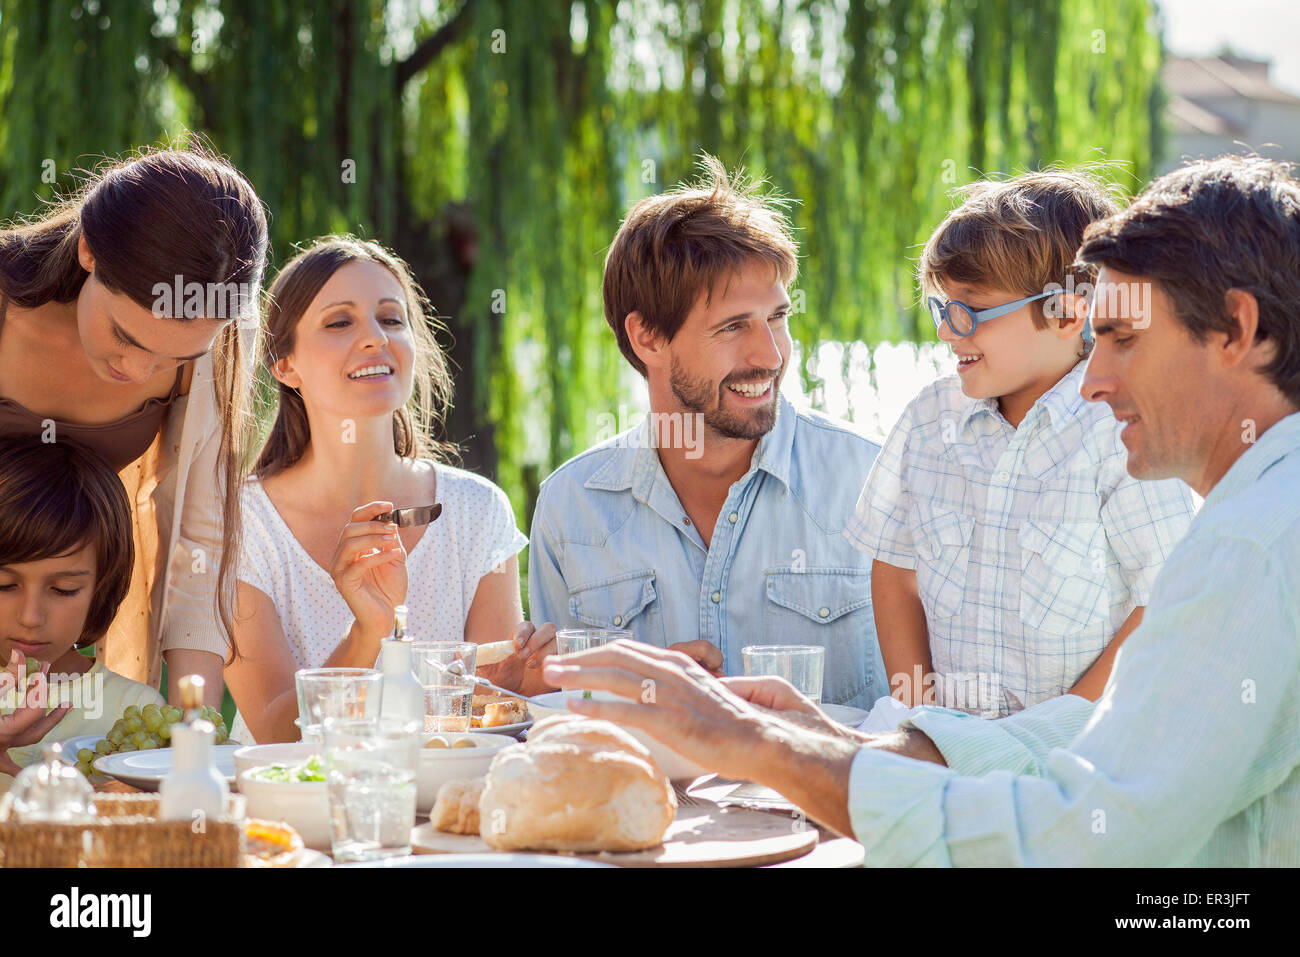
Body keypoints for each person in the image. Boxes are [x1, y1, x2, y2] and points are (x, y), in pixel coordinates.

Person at [541, 154, 1300, 866]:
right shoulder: (1256, 524)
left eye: (1123, 337)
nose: (1093, 379)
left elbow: (1077, 833)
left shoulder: (1252, 547)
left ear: (1235, 330)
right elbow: (1095, 739)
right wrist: (861, 740)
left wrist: (761, 744)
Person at [527, 157, 887, 708]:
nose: (770, 355)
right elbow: (564, 719)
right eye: (732, 326)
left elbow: (921, 724)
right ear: (648, 338)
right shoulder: (569, 509)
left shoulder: (872, 481)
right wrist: (641, 698)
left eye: (777, 318)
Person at [848, 171, 1196, 721]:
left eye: (969, 311)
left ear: (1066, 310)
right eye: (942, 309)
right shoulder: (927, 421)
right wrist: (923, 718)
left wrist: (1049, 734)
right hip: (946, 749)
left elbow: (1166, 599)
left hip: (1071, 763)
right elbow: (894, 569)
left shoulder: (1117, 433)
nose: (946, 331)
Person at [224, 237, 548, 745]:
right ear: (284, 365)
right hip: (286, 815)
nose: (375, 338)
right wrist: (368, 632)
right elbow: (276, 731)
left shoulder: (477, 510)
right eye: (339, 322)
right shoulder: (238, 523)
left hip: (437, 808)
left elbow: (484, 718)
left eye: (392, 319)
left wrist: (519, 683)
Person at [0, 145, 269, 706]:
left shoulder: (213, 346)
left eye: (174, 358)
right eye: (127, 337)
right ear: (89, 252)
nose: (138, 371)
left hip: (70, 634)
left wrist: (191, 727)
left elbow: (201, 544)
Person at [0, 437, 165, 792]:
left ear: (101, 588)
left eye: (63, 590)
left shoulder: (132, 709)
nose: (31, 617)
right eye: (4, 586)